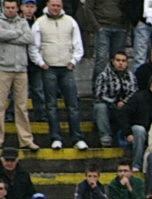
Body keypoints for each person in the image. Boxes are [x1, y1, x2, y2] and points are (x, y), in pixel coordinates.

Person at [28, 0, 88, 150]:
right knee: (51, 105)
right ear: (47, 5)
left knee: (73, 105)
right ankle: (56, 138)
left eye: (58, 6)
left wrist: (73, 61)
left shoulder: (71, 22)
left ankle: (77, 138)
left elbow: (78, 45)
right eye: (53, 5)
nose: (55, 8)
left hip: (67, 69)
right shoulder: (39, 23)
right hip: (49, 68)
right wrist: (41, 63)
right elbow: (33, 47)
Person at [0, 0, 39, 151]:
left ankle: (26, 139)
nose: (10, 10)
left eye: (13, 8)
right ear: (3, 8)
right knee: (0, 105)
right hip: (3, 68)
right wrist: (17, 34)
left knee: (22, 106)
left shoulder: (23, 22)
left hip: (21, 69)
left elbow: (29, 38)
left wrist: (8, 37)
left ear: (17, 8)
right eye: (7, 8)